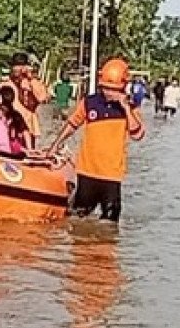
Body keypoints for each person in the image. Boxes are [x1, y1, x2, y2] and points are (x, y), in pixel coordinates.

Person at [44, 58, 145, 222]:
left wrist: (125, 107)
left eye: (114, 89)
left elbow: (137, 134)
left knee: (110, 224)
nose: (109, 92)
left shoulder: (131, 108)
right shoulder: (89, 102)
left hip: (112, 175)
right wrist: (55, 145)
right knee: (77, 219)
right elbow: (72, 124)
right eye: (106, 88)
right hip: (87, 171)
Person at [0, 52, 50, 147]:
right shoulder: (5, 83)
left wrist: (31, 79)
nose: (17, 68)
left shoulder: (32, 82)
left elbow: (42, 98)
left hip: (28, 125)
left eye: (20, 65)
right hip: (10, 126)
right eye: (15, 65)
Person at [0, 86, 32, 155]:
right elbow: (26, 133)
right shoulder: (16, 114)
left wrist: (29, 151)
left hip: (11, 149)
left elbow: (25, 133)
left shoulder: (16, 115)